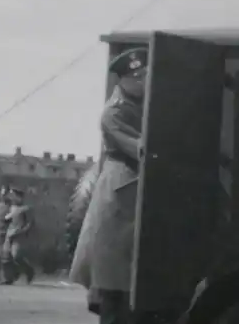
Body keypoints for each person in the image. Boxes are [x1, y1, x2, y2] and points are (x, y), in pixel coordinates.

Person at [69, 47, 148, 324]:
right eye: (136, 77)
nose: (142, 82)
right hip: (120, 189)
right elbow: (142, 149)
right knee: (113, 277)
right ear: (122, 80)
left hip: (134, 187)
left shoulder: (142, 104)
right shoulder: (113, 113)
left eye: (145, 76)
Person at [0, 187, 35, 285]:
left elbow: (30, 224)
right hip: (9, 234)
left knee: (16, 256)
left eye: (13, 195)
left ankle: (29, 271)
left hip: (19, 236)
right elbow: (7, 220)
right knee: (6, 256)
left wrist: (22, 231)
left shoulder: (26, 209)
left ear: (20, 197)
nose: (11, 197)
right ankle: (9, 278)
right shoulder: (11, 208)